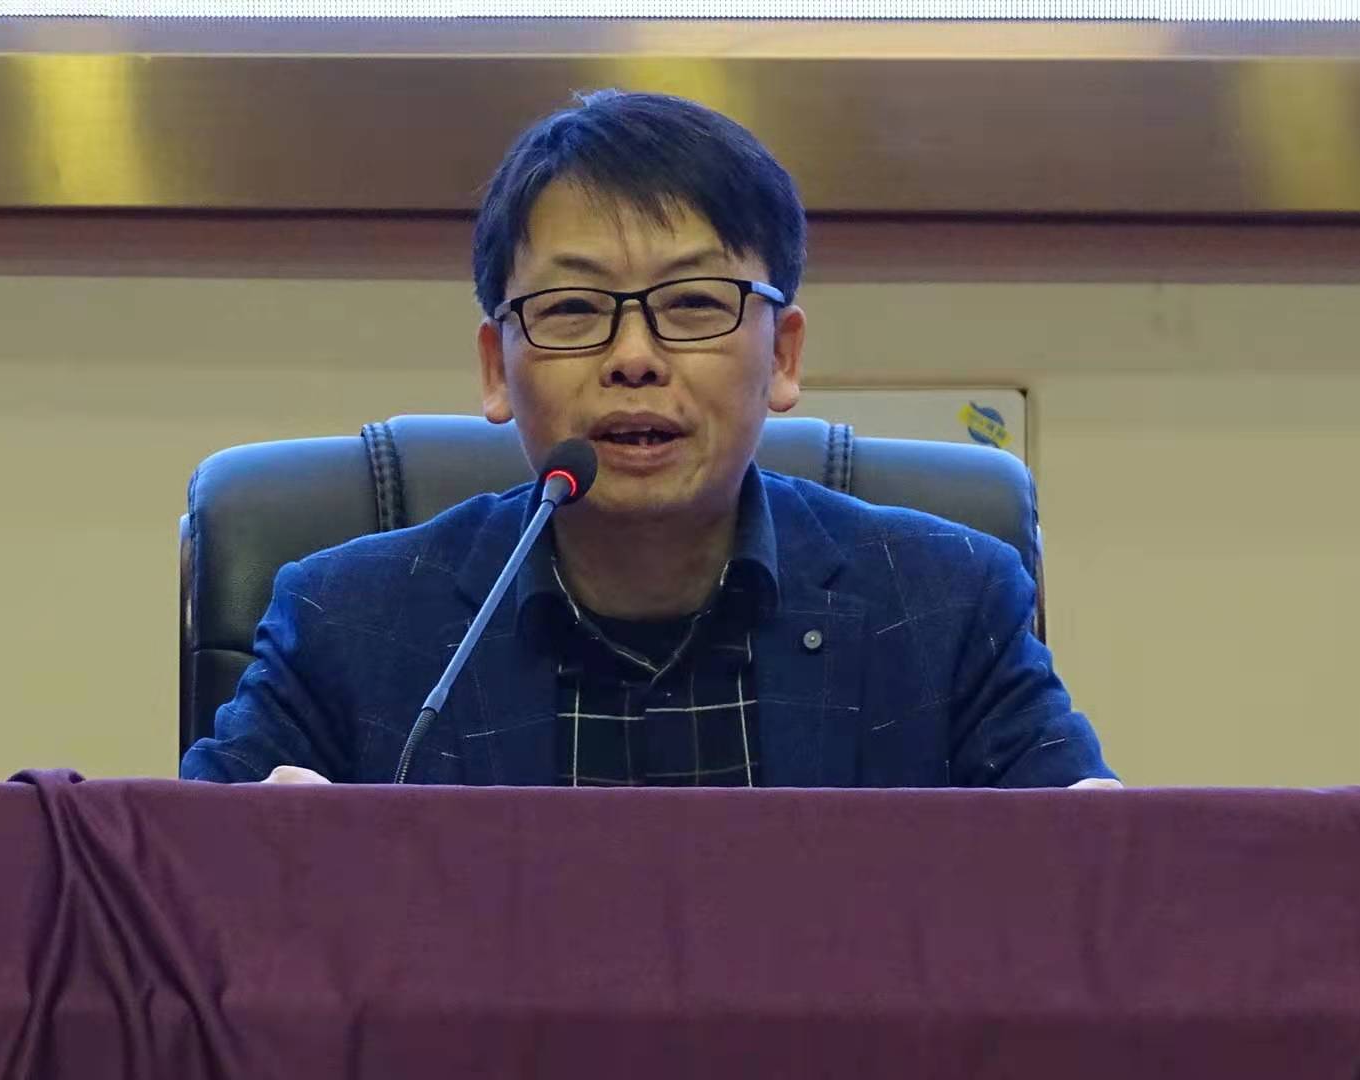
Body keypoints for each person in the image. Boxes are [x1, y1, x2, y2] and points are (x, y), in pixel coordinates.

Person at [180, 90, 1116, 789]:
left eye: (695, 303)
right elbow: (175, 913)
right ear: (496, 368)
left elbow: (1093, 904)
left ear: (783, 355)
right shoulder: (346, 627)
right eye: (574, 309)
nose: (634, 358)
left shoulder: (948, 610)